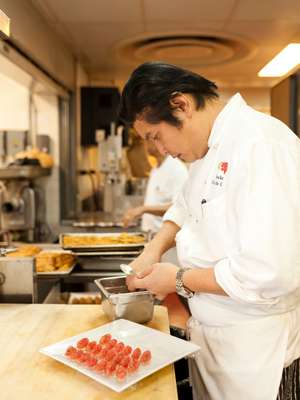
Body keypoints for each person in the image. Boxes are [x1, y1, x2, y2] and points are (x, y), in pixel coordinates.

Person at [118, 61, 300, 400]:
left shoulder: (262, 145)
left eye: (156, 137)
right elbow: (184, 207)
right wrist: (152, 250)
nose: (162, 152)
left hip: (257, 354)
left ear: (181, 105)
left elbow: (269, 272)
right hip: (216, 346)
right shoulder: (208, 152)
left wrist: (176, 279)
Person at [122, 139, 188, 232]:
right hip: (149, 234)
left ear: (159, 140)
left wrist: (143, 209)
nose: (145, 144)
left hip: (165, 240)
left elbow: (178, 208)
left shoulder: (177, 170)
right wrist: (138, 211)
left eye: (148, 139)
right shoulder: (155, 169)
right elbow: (155, 201)